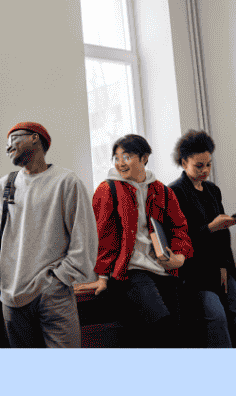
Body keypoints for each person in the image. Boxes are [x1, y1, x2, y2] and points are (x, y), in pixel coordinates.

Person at [0, 121, 97, 348]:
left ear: (35, 138)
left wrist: (57, 281)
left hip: (53, 295)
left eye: (13, 139)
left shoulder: (66, 182)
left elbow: (84, 239)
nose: (8, 148)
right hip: (11, 298)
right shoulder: (5, 186)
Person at [78, 134, 196, 347]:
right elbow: (102, 236)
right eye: (116, 157)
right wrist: (103, 276)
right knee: (163, 327)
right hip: (130, 271)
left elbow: (179, 227)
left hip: (163, 269)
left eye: (127, 156)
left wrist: (179, 256)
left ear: (144, 158)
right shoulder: (107, 190)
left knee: (175, 331)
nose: (120, 162)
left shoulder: (162, 190)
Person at [168, 130, 236, 347]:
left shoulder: (212, 190)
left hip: (221, 267)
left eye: (208, 164)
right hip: (195, 273)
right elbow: (179, 240)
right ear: (183, 162)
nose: (205, 170)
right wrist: (210, 227)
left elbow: (222, 236)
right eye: (199, 165)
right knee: (216, 319)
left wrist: (224, 266)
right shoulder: (174, 193)